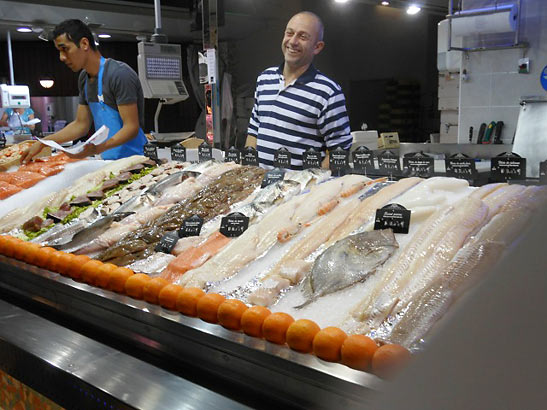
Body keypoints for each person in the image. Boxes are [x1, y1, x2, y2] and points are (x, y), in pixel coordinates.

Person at [22, 19, 147, 162]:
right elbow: (81, 124)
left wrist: (98, 148)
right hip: (107, 160)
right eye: (59, 51)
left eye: (65, 49)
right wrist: (44, 142)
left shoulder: (119, 74)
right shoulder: (84, 78)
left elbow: (131, 127)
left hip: (135, 160)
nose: (61, 57)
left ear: (84, 44)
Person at [246, 11, 352, 170]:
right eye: (290, 33)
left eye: (303, 37)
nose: (293, 41)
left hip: (299, 192)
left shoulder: (328, 92)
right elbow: (254, 131)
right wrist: (249, 173)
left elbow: (340, 151)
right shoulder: (264, 79)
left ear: (317, 47)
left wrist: (311, 185)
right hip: (260, 187)